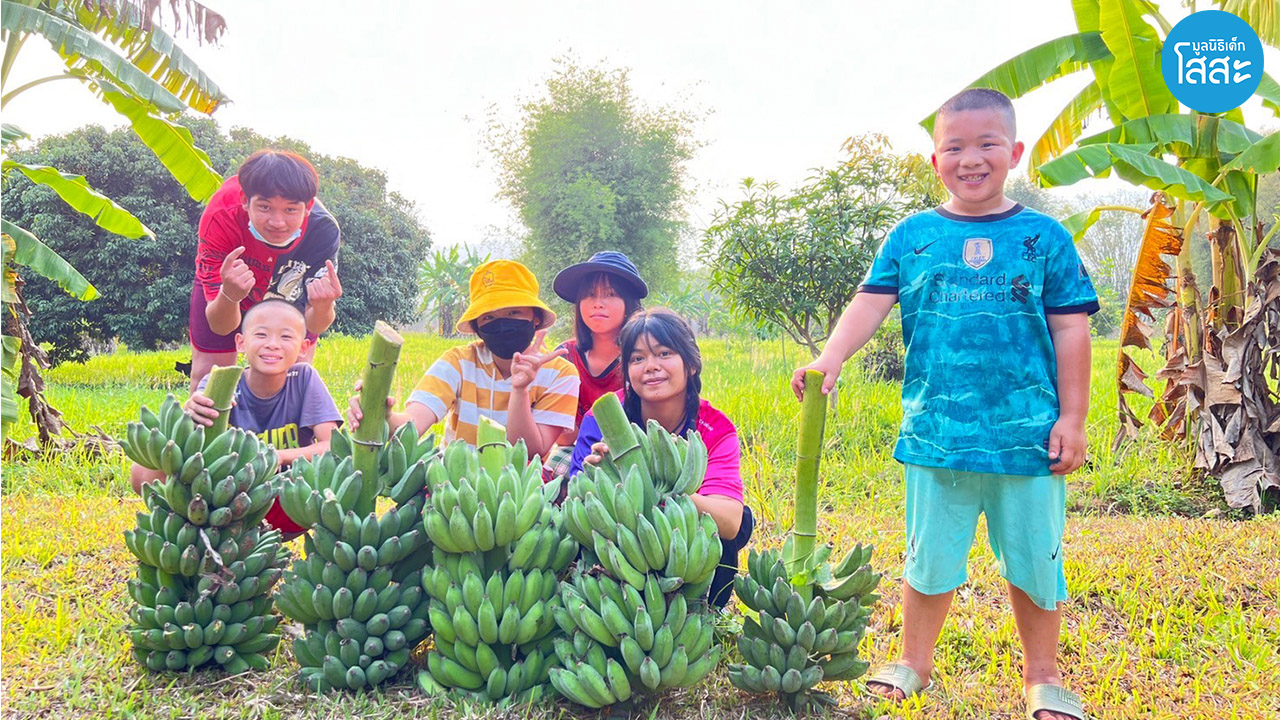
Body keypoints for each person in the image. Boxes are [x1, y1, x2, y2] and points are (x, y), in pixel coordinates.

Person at [792, 88, 1096, 720]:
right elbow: (871, 302)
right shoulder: (913, 235)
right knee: (928, 559)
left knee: (1037, 562)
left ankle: (1043, 676)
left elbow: (1071, 329)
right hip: (936, 435)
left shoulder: (1044, 237)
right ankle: (914, 662)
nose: (971, 158)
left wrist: (1072, 418)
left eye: (987, 144)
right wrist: (831, 356)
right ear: (934, 160)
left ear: (1013, 152)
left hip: (1027, 438)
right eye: (954, 146)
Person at [571, 308, 754, 610]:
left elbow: (731, 521)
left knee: (741, 521)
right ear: (627, 370)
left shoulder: (714, 428)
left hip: (683, 544)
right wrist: (599, 478)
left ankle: (706, 610)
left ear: (691, 365)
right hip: (619, 542)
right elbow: (576, 505)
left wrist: (665, 487)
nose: (651, 367)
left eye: (664, 353)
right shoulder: (603, 418)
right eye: (638, 358)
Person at [132, 299, 343, 540]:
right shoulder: (222, 382)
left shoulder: (304, 378)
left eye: (286, 337)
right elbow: (190, 452)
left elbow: (331, 446)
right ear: (241, 342)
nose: (273, 345)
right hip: (224, 500)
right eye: (261, 334)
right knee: (144, 468)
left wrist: (279, 456)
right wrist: (190, 415)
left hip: (285, 498)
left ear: (303, 347)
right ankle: (184, 536)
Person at [346, 259, 578, 461]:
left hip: (519, 493)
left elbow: (530, 450)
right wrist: (383, 416)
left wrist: (520, 390)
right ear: (478, 327)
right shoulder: (458, 362)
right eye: (489, 316)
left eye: (513, 313)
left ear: (534, 317)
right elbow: (413, 423)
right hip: (456, 487)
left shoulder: (560, 373)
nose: (502, 323)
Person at [189, 149, 343, 392]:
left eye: (291, 210)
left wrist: (323, 305)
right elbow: (220, 326)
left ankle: (289, 430)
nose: (277, 222)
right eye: (264, 207)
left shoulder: (322, 231)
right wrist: (229, 294)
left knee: (294, 374)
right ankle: (207, 430)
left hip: (286, 292)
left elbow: (315, 324)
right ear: (245, 200)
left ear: (308, 207)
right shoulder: (220, 217)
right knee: (210, 376)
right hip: (230, 288)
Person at [543, 250, 647, 478]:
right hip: (574, 452)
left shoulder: (642, 358)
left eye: (610, 294)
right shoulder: (565, 356)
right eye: (589, 295)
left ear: (629, 304)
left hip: (635, 455)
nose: (598, 304)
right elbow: (561, 436)